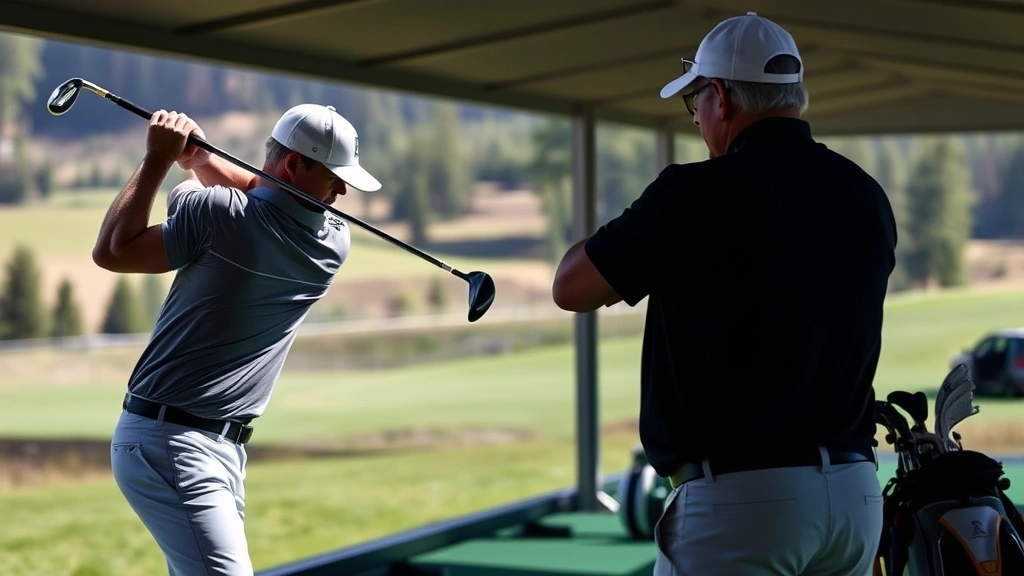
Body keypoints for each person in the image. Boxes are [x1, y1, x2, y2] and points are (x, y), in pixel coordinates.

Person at [551, 12, 896, 576]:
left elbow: (571, 287)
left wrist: (640, 228)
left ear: (720, 97)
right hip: (855, 500)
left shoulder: (692, 195)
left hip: (741, 504)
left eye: (694, 105)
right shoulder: (866, 195)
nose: (696, 121)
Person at [94, 102, 381, 575]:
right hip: (173, 443)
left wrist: (161, 159)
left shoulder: (215, 212)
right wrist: (203, 161)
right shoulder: (333, 242)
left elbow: (116, 249)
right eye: (334, 176)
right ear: (294, 163)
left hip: (206, 445)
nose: (342, 190)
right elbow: (259, 193)